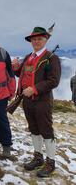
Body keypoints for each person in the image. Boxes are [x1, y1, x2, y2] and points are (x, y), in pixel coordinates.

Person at [12, 26, 61, 178]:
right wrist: (15, 68)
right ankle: (38, 157)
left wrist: (35, 89)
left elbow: (54, 80)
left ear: (46, 40)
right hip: (27, 101)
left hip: (42, 101)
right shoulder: (28, 57)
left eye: (39, 39)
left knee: (46, 131)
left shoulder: (51, 57)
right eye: (34, 39)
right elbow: (21, 73)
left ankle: (50, 162)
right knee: (33, 129)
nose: (36, 42)